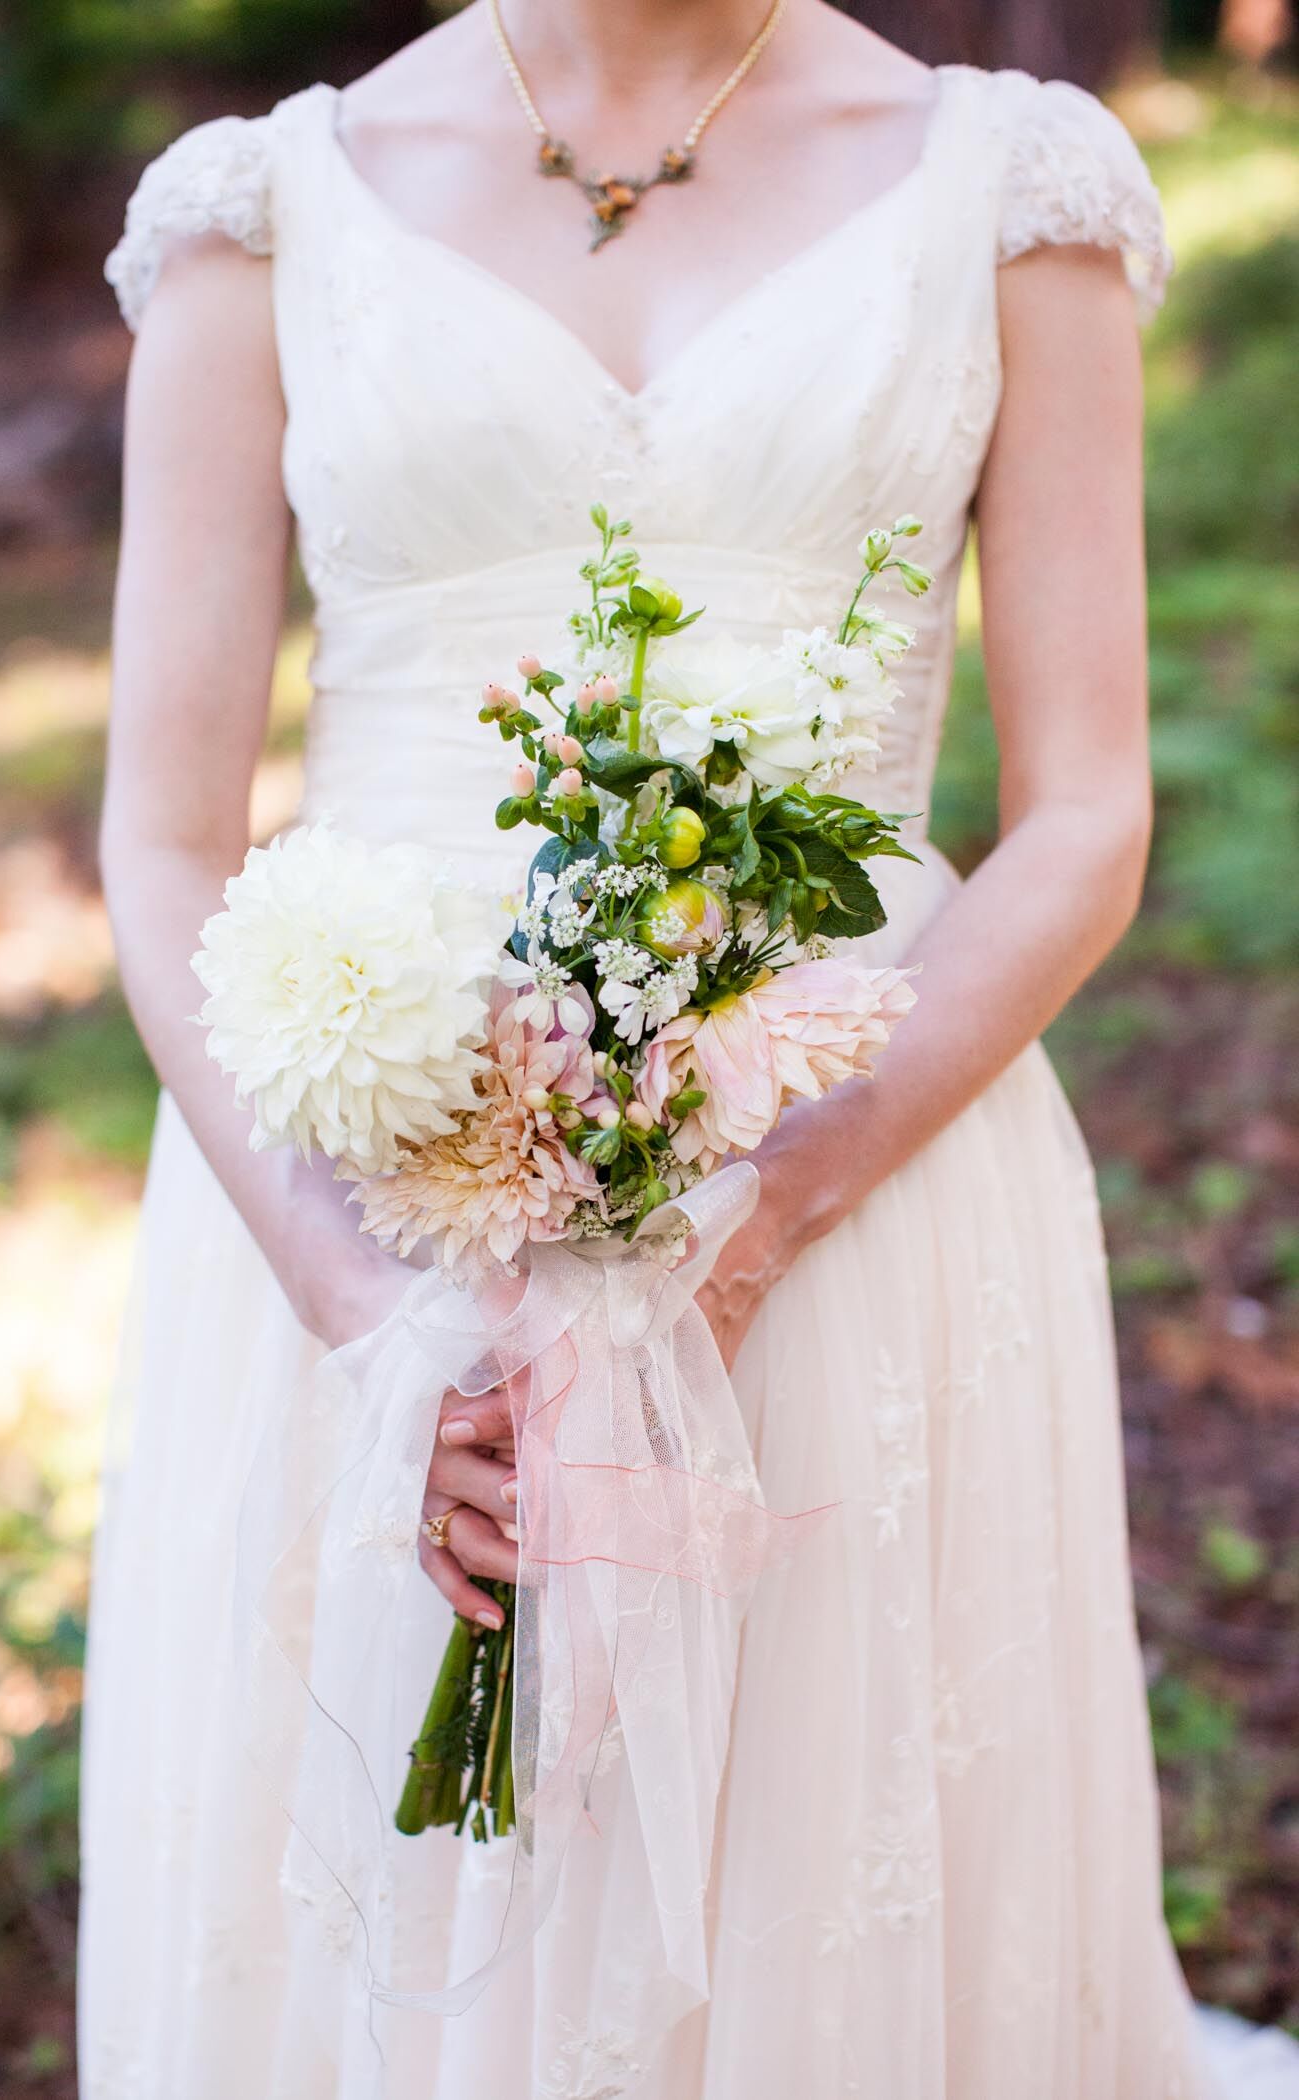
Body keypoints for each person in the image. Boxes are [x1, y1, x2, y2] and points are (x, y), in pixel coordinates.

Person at [82, 2, 1247, 2093]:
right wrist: (365, 1327)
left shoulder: (1007, 188)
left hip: (862, 1154)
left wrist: (771, 1200)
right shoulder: (265, 214)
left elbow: (1086, 812)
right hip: (360, 1177)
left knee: (812, 1842)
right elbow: (164, 848)